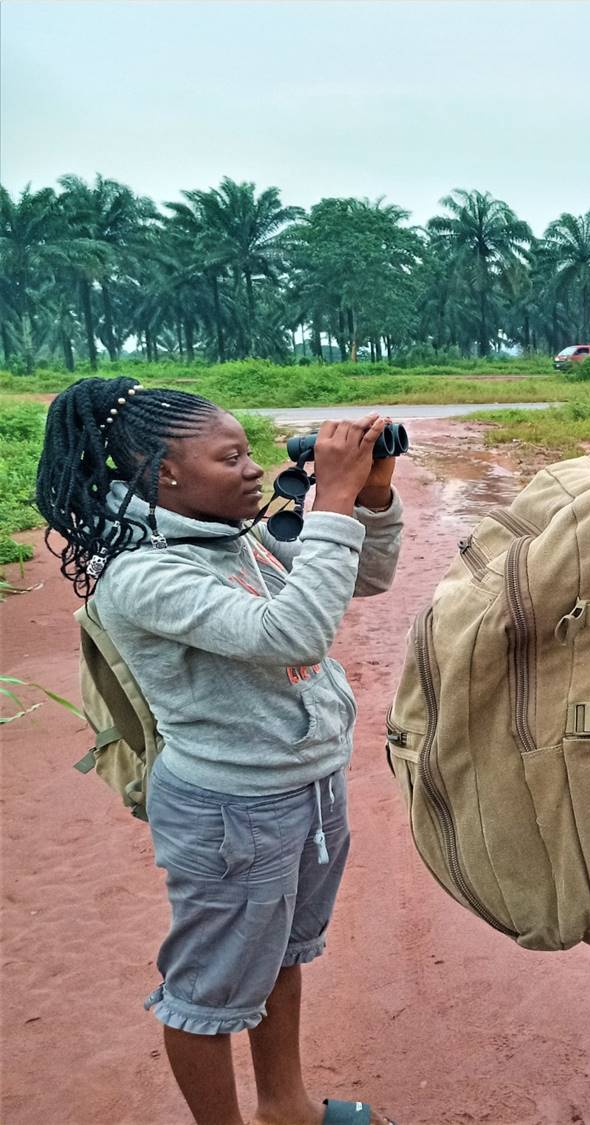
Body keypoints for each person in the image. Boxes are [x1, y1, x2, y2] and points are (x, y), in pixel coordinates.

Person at [35, 376, 403, 1125]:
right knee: (205, 990)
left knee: (282, 954)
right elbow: (290, 634)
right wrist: (328, 503)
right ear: (163, 472)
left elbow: (361, 577)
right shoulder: (143, 573)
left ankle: (286, 1107)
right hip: (233, 809)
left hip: (304, 785)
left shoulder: (235, 537)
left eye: (250, 454)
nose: (253, 470)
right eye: (231, 457)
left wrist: (371, 498)